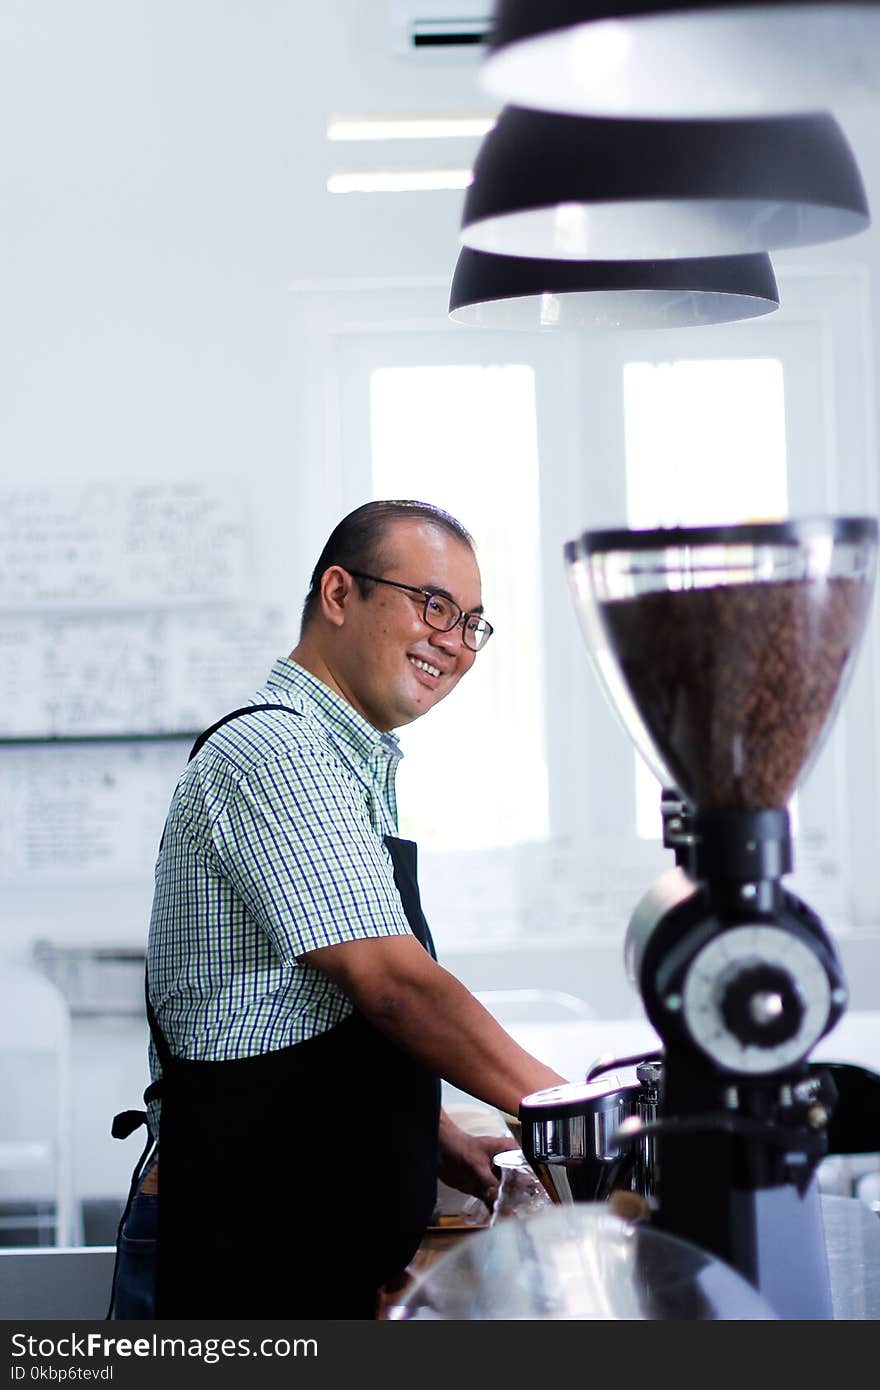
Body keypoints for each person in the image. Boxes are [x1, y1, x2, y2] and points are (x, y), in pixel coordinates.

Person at [112, 499, 566, 1319]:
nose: (454, 642)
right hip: (245, 1258)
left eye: (472, 623)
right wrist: (570, 1118)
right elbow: (394, 984)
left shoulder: (343, 764)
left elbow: (290, 1019)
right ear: (338, 594)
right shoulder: (277, 751)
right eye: (433, 605)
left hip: (304, 1247)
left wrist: (436, 1138)